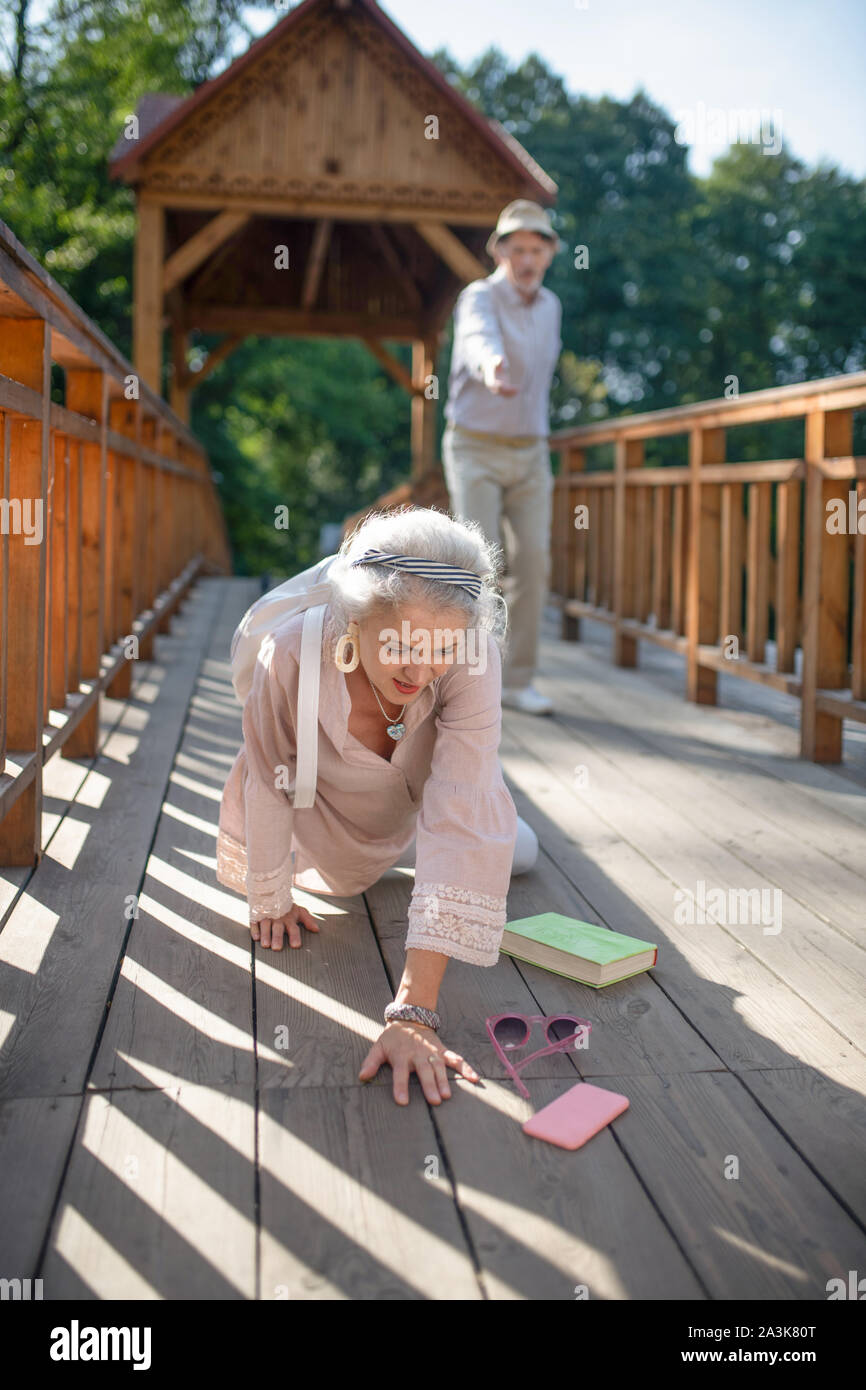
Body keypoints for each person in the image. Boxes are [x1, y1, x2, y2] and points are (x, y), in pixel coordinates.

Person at [215, 505, 540, 1108]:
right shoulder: (288, 652)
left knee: (521, 850)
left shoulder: (473, 658)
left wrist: (414, 1010)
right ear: (354, 617)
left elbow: (458, 812)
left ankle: (504, 833)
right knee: (336, 887)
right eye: (401, 645)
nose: (420, 670)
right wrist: (272, 893)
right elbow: (269, 776)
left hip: (410, 815)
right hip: (315, 818)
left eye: (442, 648)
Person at [443, 199, 563, 715]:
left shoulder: (552, 306)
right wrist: (492, 366)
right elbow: (477, 337)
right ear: (500, 251)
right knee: (477, 563)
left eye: (537, 249)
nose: (528, 259)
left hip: (531, 452)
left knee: (533, 561)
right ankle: (464, 683)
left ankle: (517, 681)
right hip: (475, 447)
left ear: (551, 254)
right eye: (518, 249)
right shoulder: (479, 297)